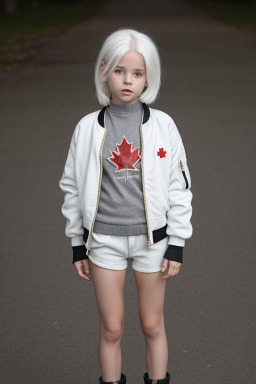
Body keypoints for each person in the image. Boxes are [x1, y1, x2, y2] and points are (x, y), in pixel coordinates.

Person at [59, 27, 193, 384]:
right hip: (103, 241)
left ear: (149, 76)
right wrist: (78, 243)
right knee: (112, 328)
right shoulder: (87, 128)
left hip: (154, 242)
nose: (128, 80)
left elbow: (179, 186)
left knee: (152, 323)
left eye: (137, 73)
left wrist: (176, 242)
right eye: (119, 71)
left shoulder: (163, 126)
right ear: (104, 70)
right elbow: (72, 187)